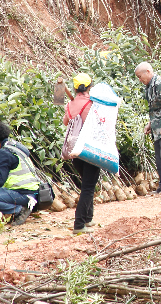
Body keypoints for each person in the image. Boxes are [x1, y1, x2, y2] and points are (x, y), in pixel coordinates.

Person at [62, 73, 100, 234]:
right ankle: (79, 224)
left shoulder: (70, 104)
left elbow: (65, 122)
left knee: (87, 183)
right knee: (88, 187)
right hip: (88, 149)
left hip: (74, 151)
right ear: (90, 87)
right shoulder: (92, 104)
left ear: (75, 88)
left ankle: (88, 218)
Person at [135, 62, 161, 194]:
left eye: (140, 76)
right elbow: (155, 109)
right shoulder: (150, 86)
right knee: (160, 159)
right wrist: (150, 123)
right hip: (156, 128)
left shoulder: (160, 84)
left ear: (148, 71)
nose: (140, 80)